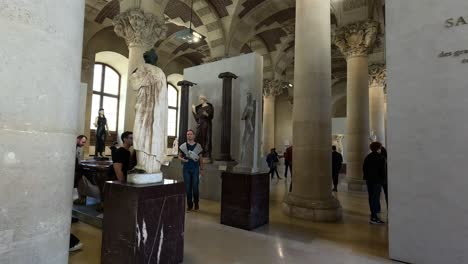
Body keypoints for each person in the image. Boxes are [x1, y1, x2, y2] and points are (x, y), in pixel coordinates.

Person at [129, 49, 168, 173]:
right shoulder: (160, 72)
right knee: (149, 135)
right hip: (155, 109)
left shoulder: (142, 68)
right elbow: (163, 95)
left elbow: (134, 84)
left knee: (141, 134)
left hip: (145, 107)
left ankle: (142, 165)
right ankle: (150, 166)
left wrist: (134, 73)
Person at [179, 129, 204, 211]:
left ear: (194, 136)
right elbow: (179, 156)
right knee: (187, 187)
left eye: (190, 134)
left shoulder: (198, 146)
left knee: (195, 187)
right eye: (187, 134)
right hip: (186, 169)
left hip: (195, 169)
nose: (189, 135)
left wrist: (202, 169)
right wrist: (183, 160)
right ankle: (189, 205)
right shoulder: (183, 146)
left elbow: (200, 159)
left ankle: (196, 203)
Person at [363, 141, 387, 225]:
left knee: (371, 198)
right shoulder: (381, 157)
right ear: (378, 148)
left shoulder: (368, 157)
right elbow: (382, 171)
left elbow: (364, 169)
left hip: (369, 181)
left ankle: (373, 214)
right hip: (377, 181)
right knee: (375, 198)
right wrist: (383, 180)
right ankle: (374, 218)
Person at [192, 95, 214, 160]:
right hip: (200, 124)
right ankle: (198, 153)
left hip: (206, 124)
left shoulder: (209, 107)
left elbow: (211, 116)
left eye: (201, 99)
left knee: (206, 138)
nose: (200, 100)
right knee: (198, 137)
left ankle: (206, 154)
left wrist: (206, 114)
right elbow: (197, 117)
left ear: (204, 100)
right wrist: (194, 111)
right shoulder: (199, 108)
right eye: (200, 99)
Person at [73, 135, 87, 205]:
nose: (84, 144)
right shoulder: (72, 146)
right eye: (83, 142)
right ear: (78, 139)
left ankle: (79, 198)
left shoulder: (77, 147)